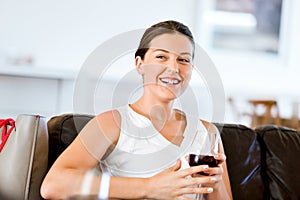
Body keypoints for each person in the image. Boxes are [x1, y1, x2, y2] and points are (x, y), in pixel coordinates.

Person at [41, 20, 232, 200]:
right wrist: (150, 187)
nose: (174, 67)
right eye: (161, 57)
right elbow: (53, 186)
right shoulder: (111, 123)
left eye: (183, 60)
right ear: (140, 64)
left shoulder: (208, 133)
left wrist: (214, 185)